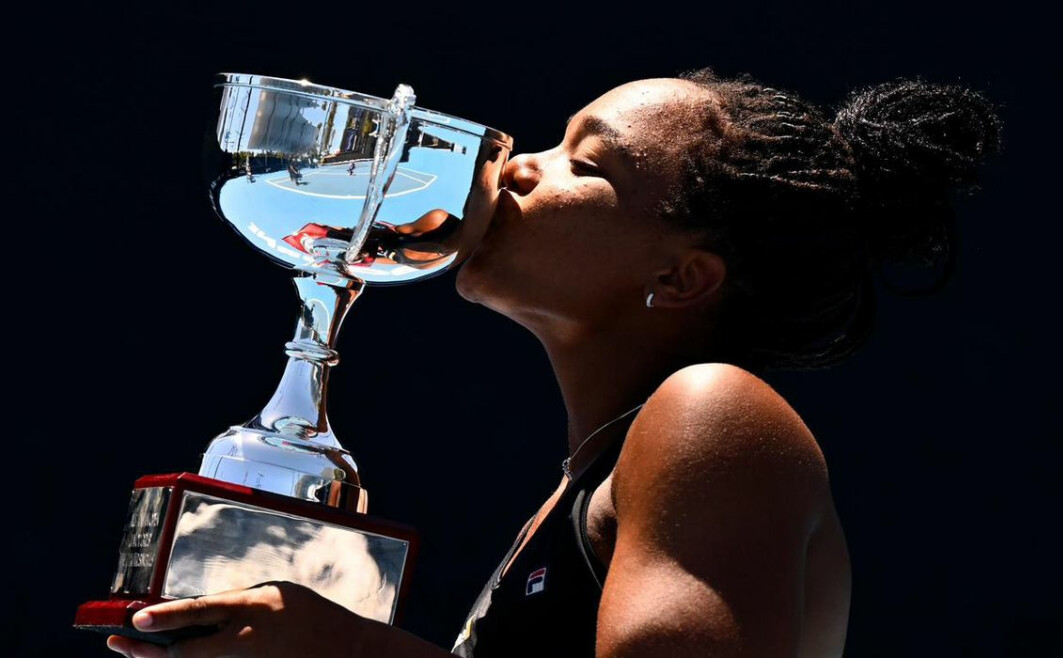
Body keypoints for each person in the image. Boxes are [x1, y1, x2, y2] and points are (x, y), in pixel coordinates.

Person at [105, 67, 1003, 658]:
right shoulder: (593, 477)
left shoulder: (713, 414)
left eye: (586, 160)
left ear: (681, 276)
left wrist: (349, 650)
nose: (519, 165)